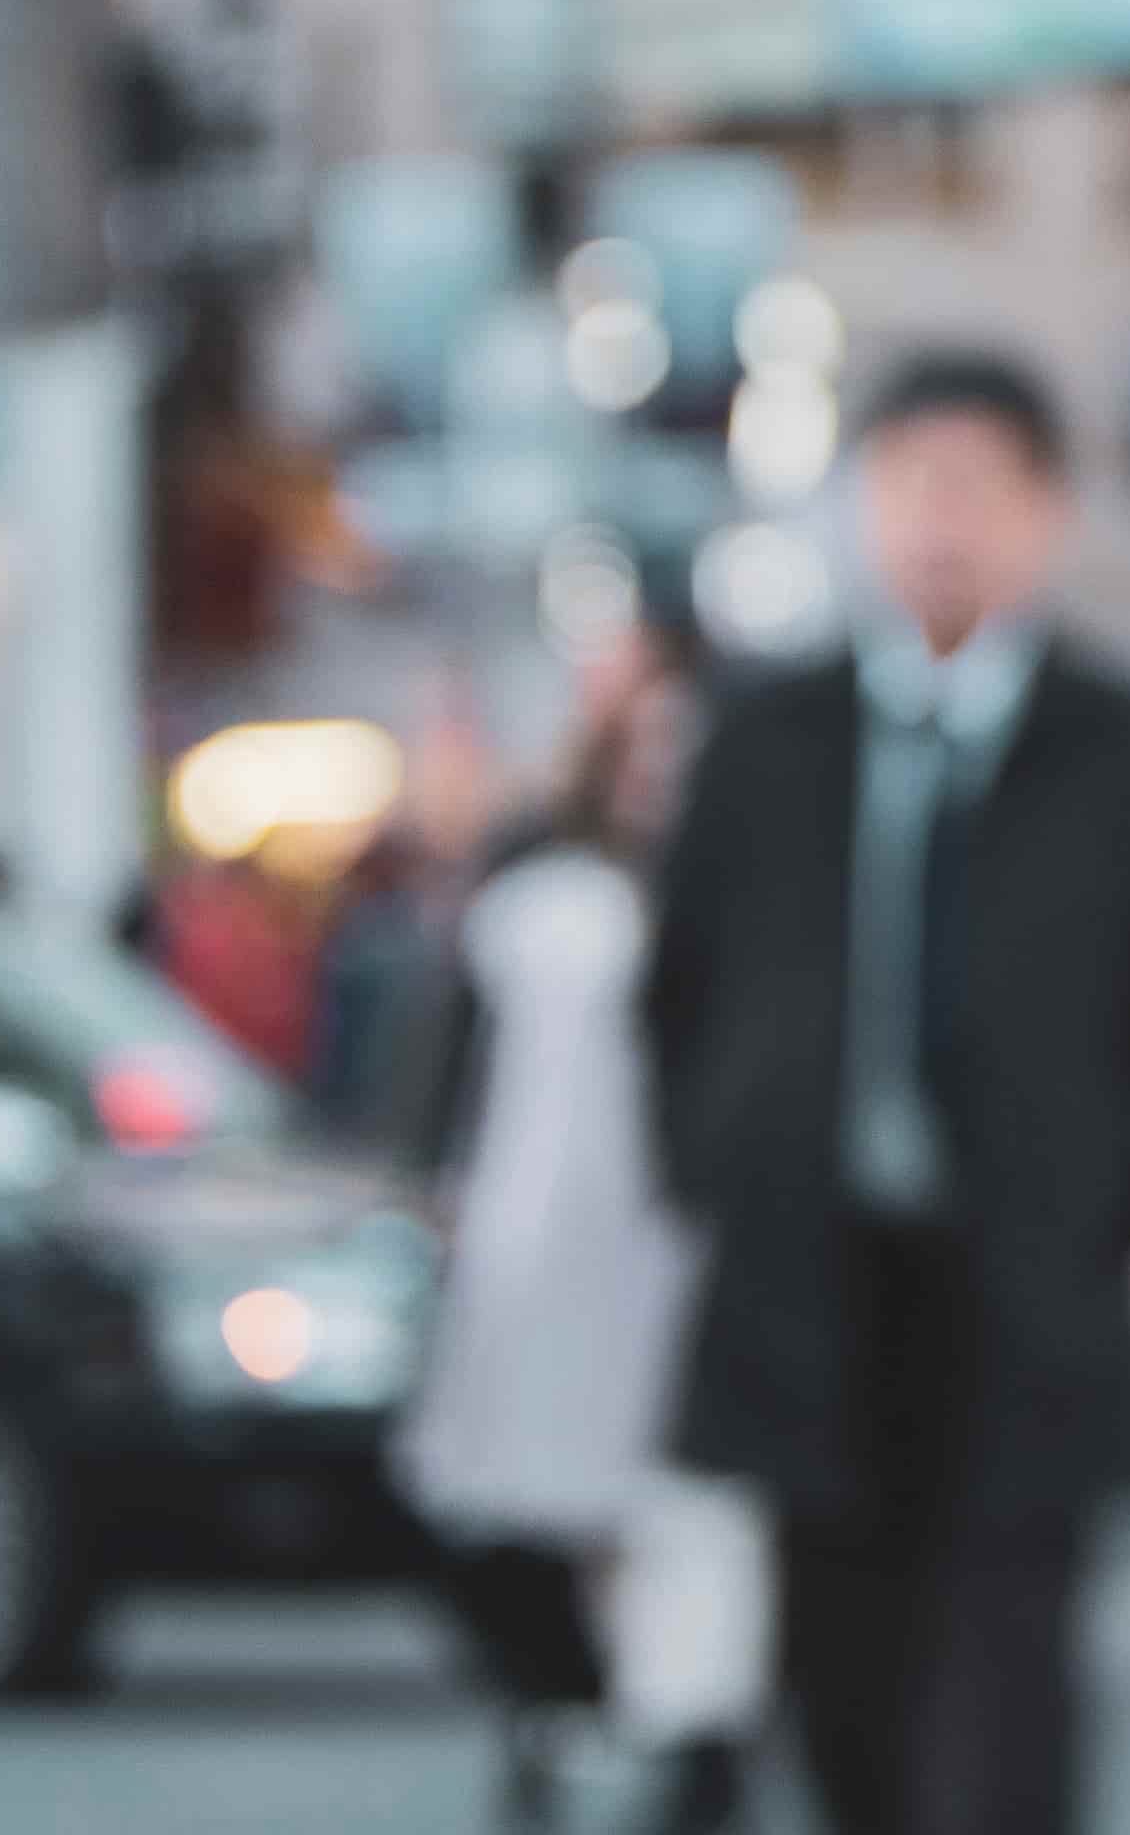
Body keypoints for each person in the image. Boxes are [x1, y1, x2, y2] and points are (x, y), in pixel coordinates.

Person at [644, 348, 1130, 1835]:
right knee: (839, 1677)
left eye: (981, 488)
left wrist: (1111, 1191)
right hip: (812, 1272)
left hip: (1025, 1281)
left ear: (1047, 516)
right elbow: (680, 992)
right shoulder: (769, 739)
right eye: (913, 484)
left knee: (1008, 1682)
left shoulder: (1124, 749)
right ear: (860, 506)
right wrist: (721, 1160)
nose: (944, 523)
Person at [395, 642, 763, 1835]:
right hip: (541, 1237)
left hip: (690, 1253)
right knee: (513, 1504)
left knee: (690, 1519)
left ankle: (682, 1742)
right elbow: (456, 1060)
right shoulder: (541, 885)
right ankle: (565, 1717)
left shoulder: (745, 897)